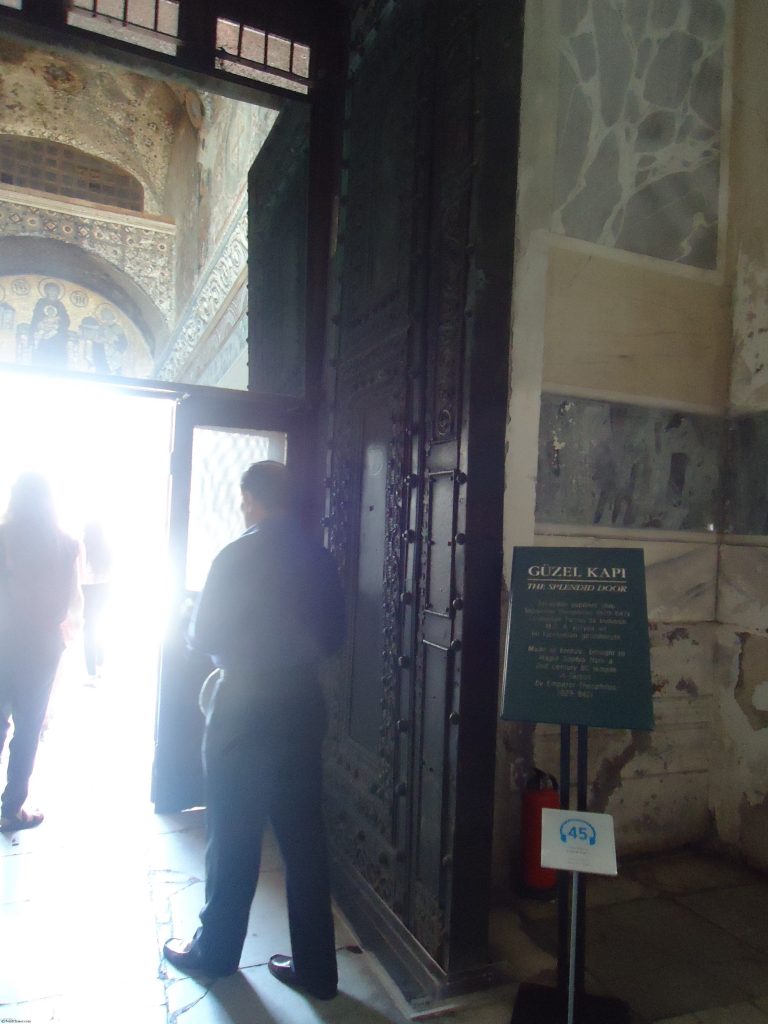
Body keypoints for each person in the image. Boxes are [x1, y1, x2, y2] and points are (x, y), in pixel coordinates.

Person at [163, 461, 345, 1001]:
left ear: (253, 499)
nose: (243, 509)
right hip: (300, 703)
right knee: (304, 839)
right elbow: (333, 637)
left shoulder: (234, 554)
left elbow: (203, 635)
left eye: (244, 501)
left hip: (242, 705)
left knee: (233, 832)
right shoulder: (319, 557)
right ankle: (317, 969)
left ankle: (215, 953)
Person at [0, 473, 80, 831]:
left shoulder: (3, 538)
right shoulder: (66, 544)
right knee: (29, 728)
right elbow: (72, 604)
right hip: (42, 647)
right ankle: (12, 809)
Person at [81, 521, 112, 681]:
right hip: (106, 589)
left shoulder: (84, 547)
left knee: (89, 630)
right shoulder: (107, 548)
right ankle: (100, 663)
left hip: (89, 591)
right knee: (100, 626)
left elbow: (80, 572)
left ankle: (91, 672)